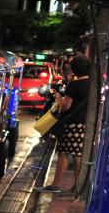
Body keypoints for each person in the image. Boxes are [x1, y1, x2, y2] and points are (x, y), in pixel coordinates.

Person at [37, 54, 90, 194]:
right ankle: (78, 186)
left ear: (74, 69)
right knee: (78, 155)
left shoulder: (75, 84)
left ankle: (56, 184)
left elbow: (66, 106)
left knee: (63, 153)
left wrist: (59, 99)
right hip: (85, 124)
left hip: (71, 124)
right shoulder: (92, 84)